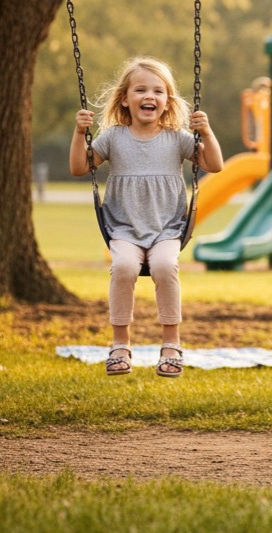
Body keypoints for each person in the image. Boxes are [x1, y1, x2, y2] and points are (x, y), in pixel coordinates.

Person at [71, 56, 224, 378]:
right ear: (125, 99)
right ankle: (120, 344)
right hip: (124, 228)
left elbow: (214, 165)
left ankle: (171, 344)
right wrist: (79, 132)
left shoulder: (178, 137)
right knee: (124, 267)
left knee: (165, 266)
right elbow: (79, 167)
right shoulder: (113, 137)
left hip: (167, 229)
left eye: (158, 91)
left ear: (168, 100)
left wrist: (206, 133)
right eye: (140, 90)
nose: (149, 96)